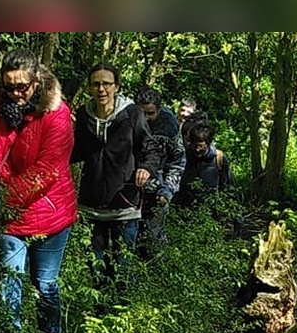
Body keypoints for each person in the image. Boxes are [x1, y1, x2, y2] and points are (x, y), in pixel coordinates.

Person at [0, 48, 76, 333]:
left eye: (22, 87)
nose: (15, 93)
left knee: (45, 284)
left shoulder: (56, 114)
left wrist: (2, 202)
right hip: (10, 219)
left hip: (49, 213)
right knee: (10, 280)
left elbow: (47, 170)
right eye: (9, 86)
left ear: (36, 82)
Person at [70, 62, 160, 292]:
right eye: (96, 84)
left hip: (125, 204)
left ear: (116, 86)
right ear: (90, 88)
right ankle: (99, 312)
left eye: (106, 84)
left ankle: (125, 309)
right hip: (91, 205)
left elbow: (150, 148)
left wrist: (146, 169)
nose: (101, 89)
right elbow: (75, 151)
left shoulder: (132, 114)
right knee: (96, 271)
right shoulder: (83, 115)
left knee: (123, 270)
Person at [134, 87, 185, 262]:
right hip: (128, 192)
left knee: (154, 238)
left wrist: (167, 189)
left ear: (159, 109)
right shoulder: (126, 119)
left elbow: (177, 160)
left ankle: (158, 270)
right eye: (142, 113)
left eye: (151, 113)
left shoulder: (169, 124)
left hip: (157, 191)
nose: (146, 119)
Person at [175, 118, 232, 208]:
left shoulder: (218, 158)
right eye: (194, 145)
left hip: (211, 208)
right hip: (185, 208)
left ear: (208, 143)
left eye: (200, 146)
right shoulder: (184, 157)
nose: (197, 149)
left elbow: (228, 186)